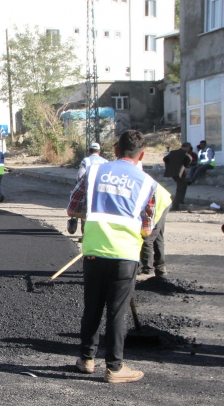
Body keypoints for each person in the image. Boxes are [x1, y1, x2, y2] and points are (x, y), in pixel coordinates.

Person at [67, 129, 158, 383]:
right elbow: (147, 227)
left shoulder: (94, 172)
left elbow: (72, 208)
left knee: (92, 307)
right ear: (142, 155)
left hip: (95, 250)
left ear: (115, 150)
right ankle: (115, 368)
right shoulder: (148, 182)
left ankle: (86, 359)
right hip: (125, 254)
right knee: (117, 311)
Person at [69, 142, 108, 235]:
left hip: (89, 190)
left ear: (89, 151)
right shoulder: (106, 162)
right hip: (102, 191)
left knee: (85, 211)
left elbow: (81, 176)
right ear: (99, 151)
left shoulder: (86, 161)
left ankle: (85, 235)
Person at [139, 183, 173, 278]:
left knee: (147, 237)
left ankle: (148, 270)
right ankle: (161, 268)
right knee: (158, 236)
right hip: (164, 199)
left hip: (157, 201)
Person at [163, 142, 192, 211]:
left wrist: (169, 166)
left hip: (172, 172)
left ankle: (180, 202)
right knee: (180, 188)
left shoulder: (173, 152)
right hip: (179, 173)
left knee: (183, 185)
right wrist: (185, 165)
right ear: (187, 147)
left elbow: (165, 158)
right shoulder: (184, 153)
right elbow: (189, 159)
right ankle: (175, 206)